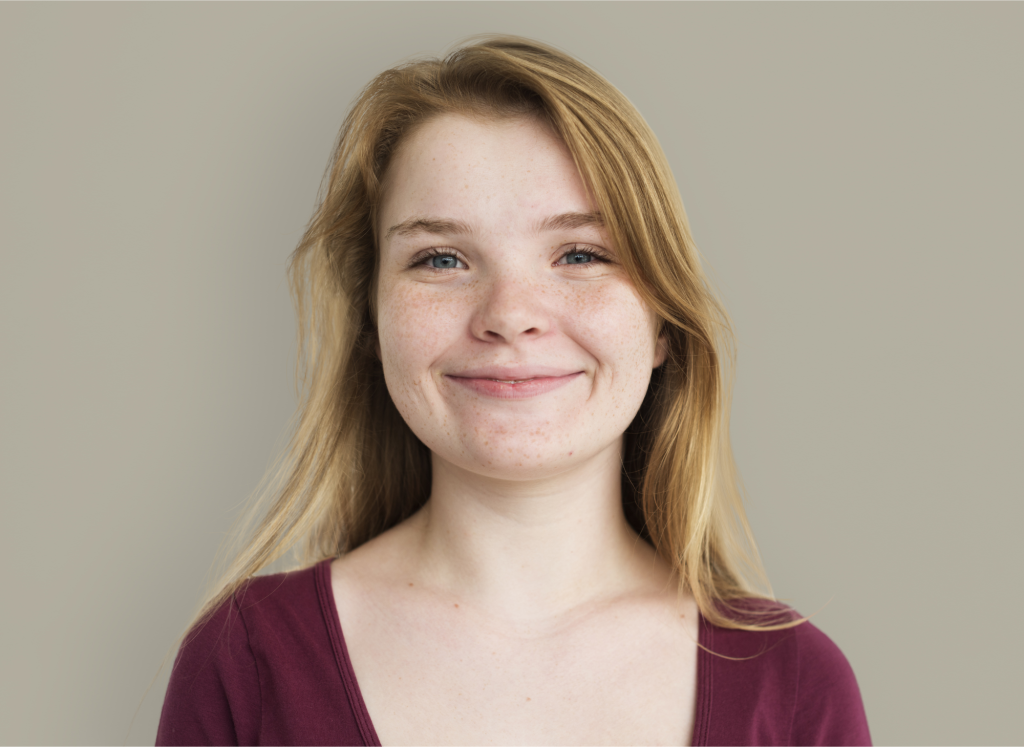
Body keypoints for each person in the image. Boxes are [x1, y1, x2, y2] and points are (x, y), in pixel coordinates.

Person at [156, 35, 870, 746]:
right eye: (441, 259)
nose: (509, 314)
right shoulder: (245, 663)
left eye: (581, 254)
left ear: (661, 321)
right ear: (371, 320)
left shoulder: (795, 686)